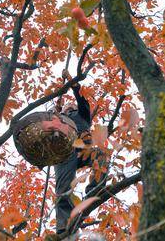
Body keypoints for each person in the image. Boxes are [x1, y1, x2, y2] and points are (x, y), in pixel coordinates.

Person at [54, 75, 106, 235]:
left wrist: (74, 85)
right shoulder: (57, 120)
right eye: (66, 107)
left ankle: (94, 191)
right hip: (64, 151)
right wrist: (55, 115)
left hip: (83, 148)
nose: (69, 107)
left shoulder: (82, 114)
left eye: (72, 106)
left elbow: (83, 101)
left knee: (101, 156)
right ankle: (64, 226)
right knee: (63, 188)